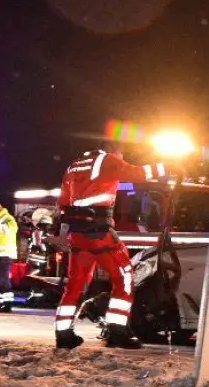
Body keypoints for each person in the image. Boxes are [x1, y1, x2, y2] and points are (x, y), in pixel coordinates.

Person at [55, 149, 146, 350]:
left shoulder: (74, 165)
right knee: (124, 278)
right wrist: (169, 167)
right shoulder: (108, 160)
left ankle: (63, 334)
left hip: (78, 234)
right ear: (116, 150)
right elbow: (138, 174)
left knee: (76, 285)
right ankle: (117, 331)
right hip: (99, 233)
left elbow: (63, 202)